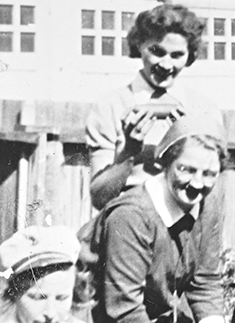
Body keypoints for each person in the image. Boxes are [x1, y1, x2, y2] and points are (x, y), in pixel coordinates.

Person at [88, 111, 235, 323]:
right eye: (186, 169)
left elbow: (204, 284)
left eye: (209, 174)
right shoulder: (133, 216)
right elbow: (122, 308)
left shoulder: (206, 207)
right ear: (165, 164)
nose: (197, 183)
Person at [85, 3, 223, 210]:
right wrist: (127, 154)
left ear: (189, 55)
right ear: (139, 45)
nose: (166, 65)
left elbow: (211, 194)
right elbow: (99, 198)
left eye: (177, 55)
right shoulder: (109, 106)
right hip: (128, 221)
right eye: (156, 52)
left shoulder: (205, 110)